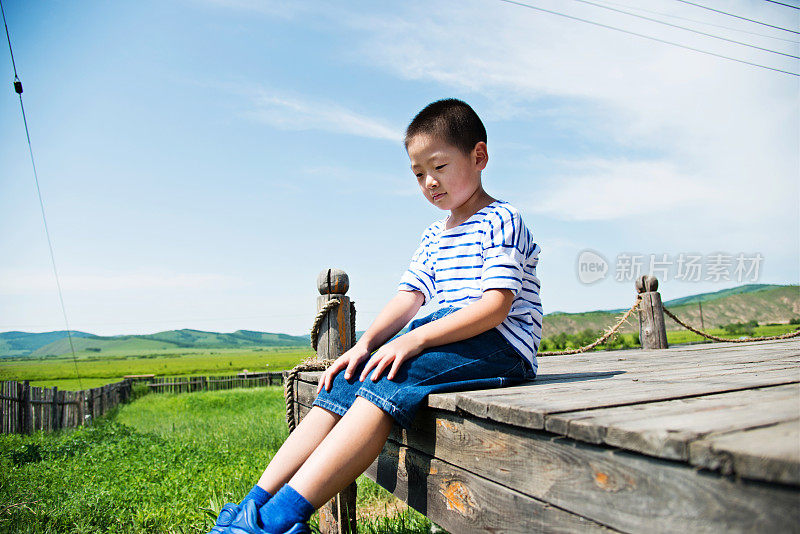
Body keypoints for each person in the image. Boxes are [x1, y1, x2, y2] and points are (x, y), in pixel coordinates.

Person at [210, 98, 543, 534]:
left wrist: (414, 340)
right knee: (351, 375)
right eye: (418, 173)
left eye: (439, 167)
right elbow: (409, 297)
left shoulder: (501, 219)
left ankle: (279, 521)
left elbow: (494, 306)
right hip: (445, 337)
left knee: (392, 376)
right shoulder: (434, 234)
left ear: (478, 156)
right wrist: (366, 345)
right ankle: (255, 501)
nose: (429, 182)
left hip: (500, 345)